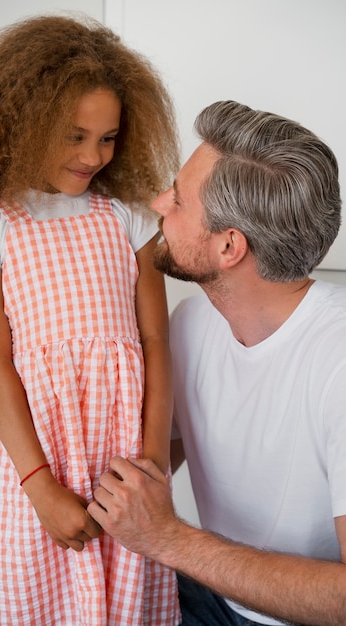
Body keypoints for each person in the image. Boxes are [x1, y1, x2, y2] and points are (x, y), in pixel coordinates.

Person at [0, 14, 181, 625]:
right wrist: (42, 488)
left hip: (123, 466)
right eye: (74, 136)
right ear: (25, 123)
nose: (93, 156)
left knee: (129, 602)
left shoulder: (129, 221)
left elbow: (155, 343)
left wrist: (149, 467)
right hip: (38, 465)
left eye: (108, 137)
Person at [88, 100, 346, 626]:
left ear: (229, 245)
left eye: (179, 200)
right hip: (208, 589)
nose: (160, 203)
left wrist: (167, 538)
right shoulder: (191, 323)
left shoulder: (337, 363)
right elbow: (152, 467)